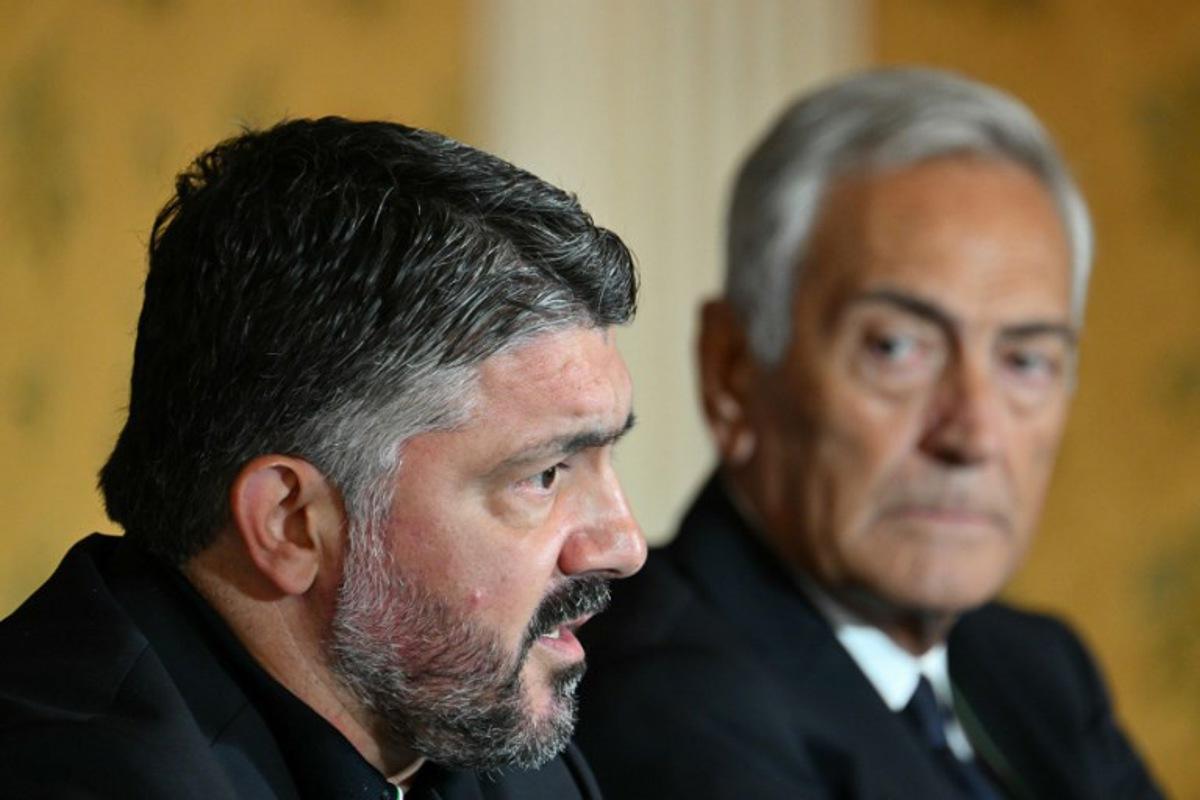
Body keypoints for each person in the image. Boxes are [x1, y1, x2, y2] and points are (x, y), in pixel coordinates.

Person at [0, 117, 647, 799]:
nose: (625, 545)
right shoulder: (71, 774)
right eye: (544, 475)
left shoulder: (482, 723)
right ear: (291, 521)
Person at [576, 68, 1164, 799]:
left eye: (1026, 360)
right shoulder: (667, 701)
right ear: (732, 371)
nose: (974, 433)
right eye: (896, 348)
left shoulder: (1036, 669)